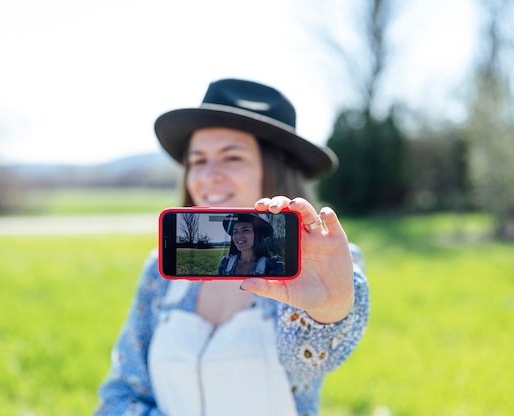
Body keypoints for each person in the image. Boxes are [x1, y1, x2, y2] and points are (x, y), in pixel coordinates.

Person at [94, 78, 370, 416]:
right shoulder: (161, 272)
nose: (208, 176)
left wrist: (328, 312)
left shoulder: (322, 265)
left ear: (277, 171)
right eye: (197, 161)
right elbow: (123, 391)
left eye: (232, 157)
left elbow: (311, 357)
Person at [217, 213, 284, 276]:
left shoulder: (273, 266)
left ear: (257, 235)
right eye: (235, 231)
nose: (239, 235)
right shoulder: (225, 263)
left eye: (246, 230)